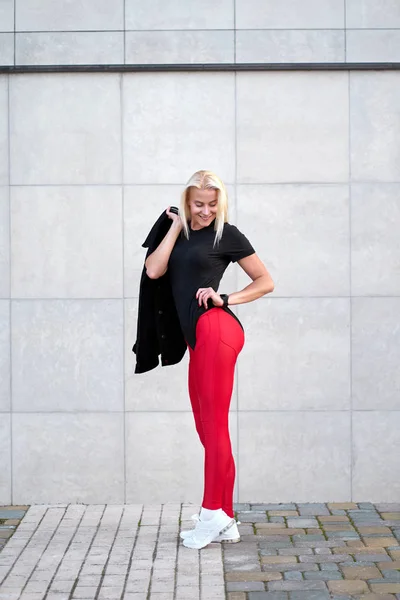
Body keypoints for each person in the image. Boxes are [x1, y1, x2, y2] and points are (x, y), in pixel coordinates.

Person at [144, 170, 274, 549]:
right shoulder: (179, 231)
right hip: (197, 341)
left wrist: (227, 298)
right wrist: (175, 227)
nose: (205, 211)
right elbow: (154, 270)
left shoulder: (228, 235)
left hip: (217, 329)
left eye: (212, 205)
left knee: (215, 427)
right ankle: (226, 519)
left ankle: (211, 511)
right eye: (198, 204)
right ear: (188, 200)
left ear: (221, 203)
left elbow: (265, 281)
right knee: (208, 431)